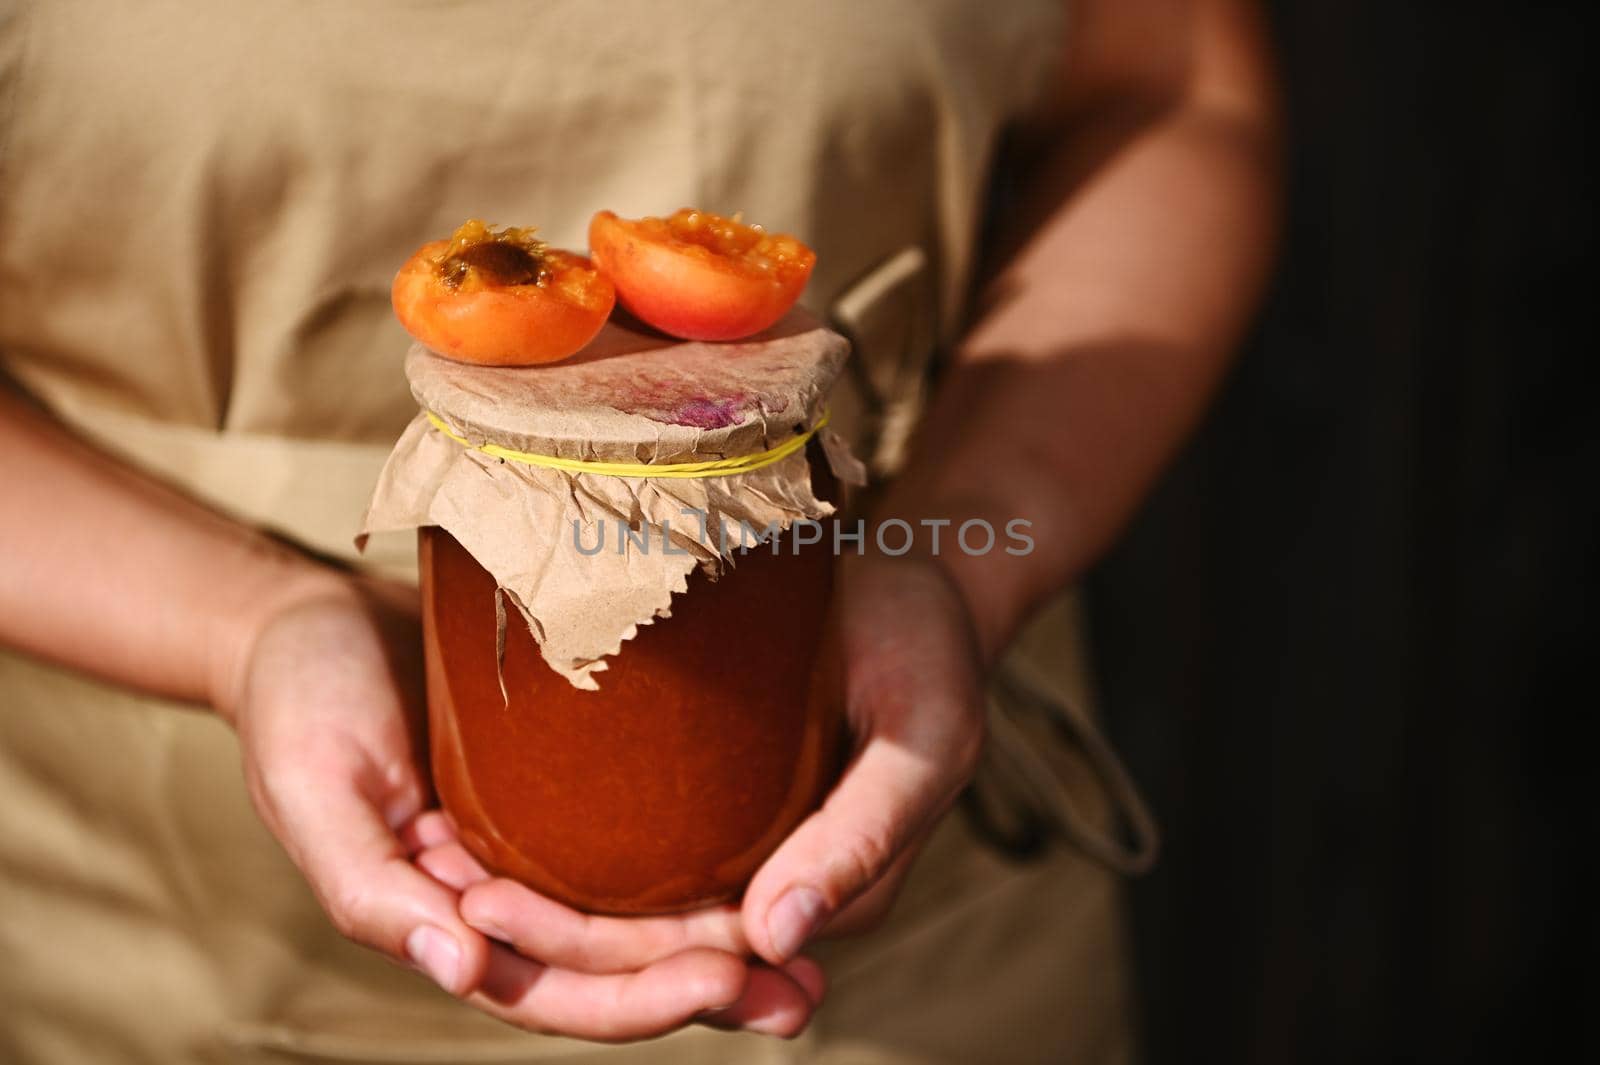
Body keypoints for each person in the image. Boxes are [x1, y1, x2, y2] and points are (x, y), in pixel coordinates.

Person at [0, 0, 1278, 1061]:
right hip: (156, 951)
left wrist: (948, 557)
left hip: (912, 911)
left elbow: (1168, 86)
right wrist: (243, 624)